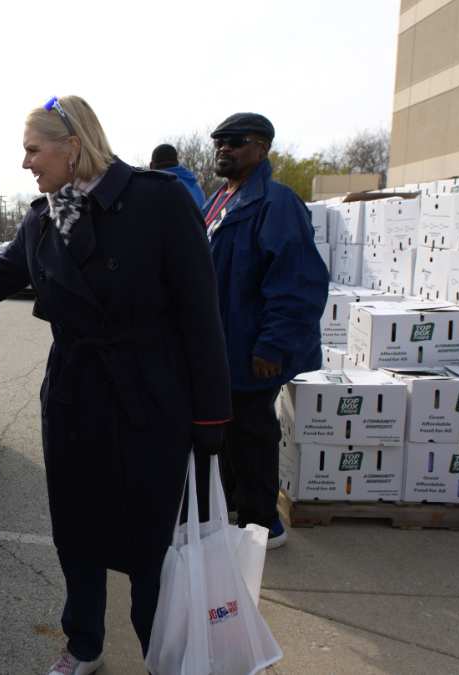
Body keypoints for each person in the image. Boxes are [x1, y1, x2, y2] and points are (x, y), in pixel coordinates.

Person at [0, 95, 232, 675]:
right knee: (76, 534)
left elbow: (201, 312)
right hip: (74, 401)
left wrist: (212, 416)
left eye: (32, 151)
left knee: (149, 548)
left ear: (72, 147)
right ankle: (84, 643)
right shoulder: (44, 220)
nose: (25, 165)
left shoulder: (158, 201)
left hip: (150, 402)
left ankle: (161, 653)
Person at [202, 112, 329, 550]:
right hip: (220, 346)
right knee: (228, 434)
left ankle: (263, 524)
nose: (224, 148)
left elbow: (296, 284)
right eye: (219, 140)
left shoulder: (276, 204)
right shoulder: (219, 199)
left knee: (253, 435)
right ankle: (238, 511)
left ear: (262, 148)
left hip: (253, 347)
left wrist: (273, 344)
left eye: (235, 141)